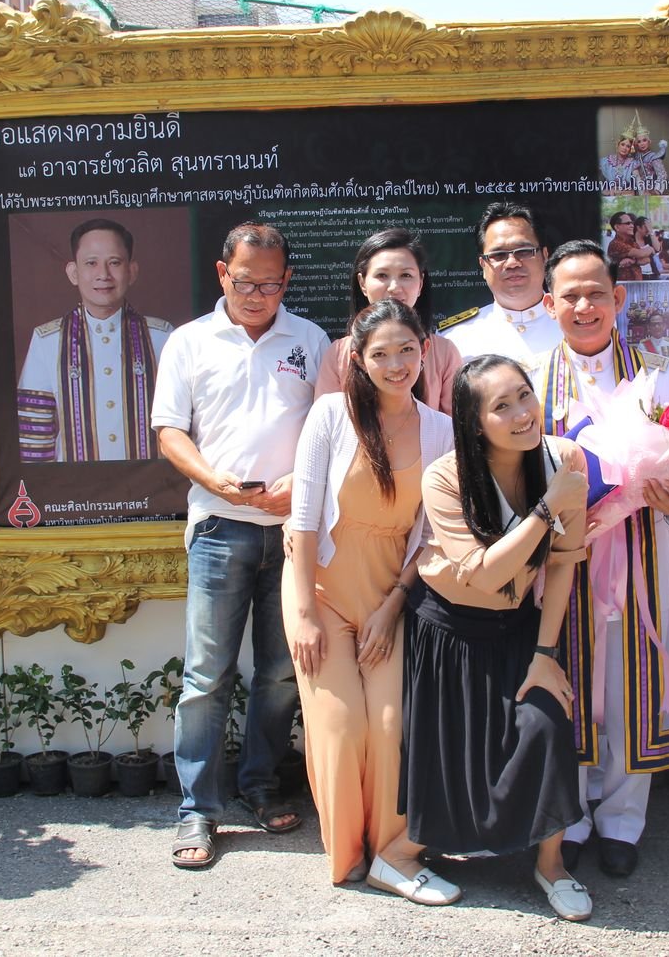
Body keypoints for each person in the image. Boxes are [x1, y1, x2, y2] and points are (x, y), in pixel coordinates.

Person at [151, 221, 331, 869]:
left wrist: (300, 483)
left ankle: (260, 785)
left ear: (288, 280)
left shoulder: (310, 340)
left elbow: (329, 427)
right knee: (207, 675)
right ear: (223, 274)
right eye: (247, 282)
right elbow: (170, 431)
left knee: (281, 672)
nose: (258, 296)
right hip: (218, 528)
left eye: (271, 284)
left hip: (292, 532)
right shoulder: (189, 342)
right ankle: (197, 810)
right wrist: (211, 479)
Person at [532, 242, 669, 878]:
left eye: (596, 294)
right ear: (549, 303)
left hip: (642, 554)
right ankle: (573, 815)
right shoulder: (530, 379)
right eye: (570, 296)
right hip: (562, 559)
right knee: (570, 683)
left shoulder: (658, 377)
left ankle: (623, 819)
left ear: (619, 298)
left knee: (632, 686)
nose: (584, 307)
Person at [397, 355, 591, 920]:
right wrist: (547, 506)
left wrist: (545, 654)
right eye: (501, 406)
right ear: (474, 422)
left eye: (524, 395)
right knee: (452, 754)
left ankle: (551, 865)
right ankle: (401, 856)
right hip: (449, 629)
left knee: (547, 724)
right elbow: (484, 573)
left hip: (520, 627)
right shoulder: (445, 477)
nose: (521, 413)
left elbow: (564, 560)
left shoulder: (564, 459)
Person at [286, 299, 454, 886]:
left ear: (424, 351)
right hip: (321, 590)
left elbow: (430, 536)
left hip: (391, 596)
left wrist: (392, 607)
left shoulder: (441, 431)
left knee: (389, 727)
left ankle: (391, 854)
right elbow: (303, 518)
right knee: (341, 727)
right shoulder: (331, 415)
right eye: (381, 354)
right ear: (357, 359)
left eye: (407, 350)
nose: (396, 364)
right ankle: (347, 853)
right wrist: (305, 613)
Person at [17, 217, 173, 461]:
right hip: (75, 485)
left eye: (114, 263)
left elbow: (182, 425)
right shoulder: (47, 341)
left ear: (131, 271)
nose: (103, 274)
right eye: (91, 263)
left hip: (150, 482)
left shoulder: (162, 337)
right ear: (73, 272)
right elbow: (34, 441)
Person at [314, 228, 463, 413]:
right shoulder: (338, 354)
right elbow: (326, 421)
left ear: (420, 283)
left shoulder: (445, 353)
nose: (394, 287)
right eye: (382, 276)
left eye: (406, 275)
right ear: (362, 283)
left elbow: (455, 425)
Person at [440, 203, 560, 365]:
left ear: (545, 256)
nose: (512, 263)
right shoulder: (454, 340)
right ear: (483, 265)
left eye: (524, 251)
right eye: (498, 255)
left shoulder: (578, 324)